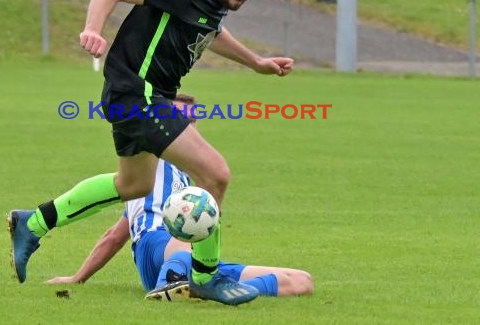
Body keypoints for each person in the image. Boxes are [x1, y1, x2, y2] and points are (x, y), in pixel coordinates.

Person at [8, 0, 294, 306]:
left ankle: (34, 222)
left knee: (134, 185)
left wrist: (256, 63)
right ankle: (204, 277)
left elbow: (212, 31)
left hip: (136, 98)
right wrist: (93, 29)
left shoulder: (212, 3)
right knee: (215, 174)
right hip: (138, 95)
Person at [45, 95, 313, 300]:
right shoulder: (148, 163)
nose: (182, 128)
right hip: (155, 246)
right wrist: (76, 278)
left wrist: (78, 278)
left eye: (188, 122)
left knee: (300, 281)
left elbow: (115, 236)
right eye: (176, 119)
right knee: (185, 244)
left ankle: (198, 288)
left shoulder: (185, 182)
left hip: (191, 262)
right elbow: (115, 237)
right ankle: (168, 287)